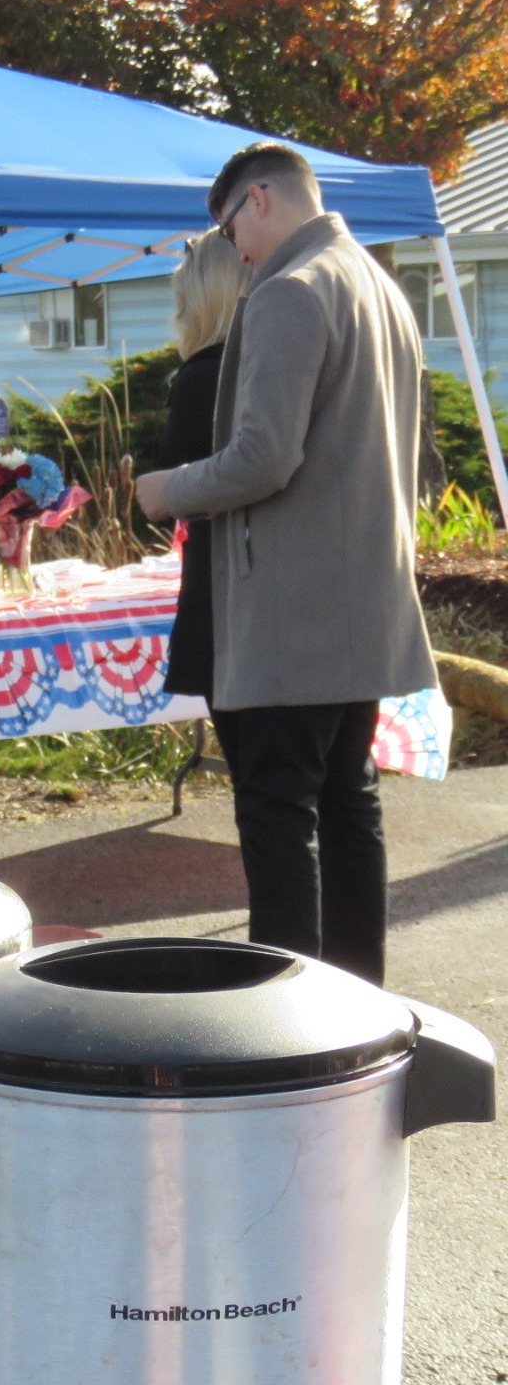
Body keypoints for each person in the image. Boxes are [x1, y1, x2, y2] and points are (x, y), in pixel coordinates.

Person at [135, 142, 436, 986]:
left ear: (258, 200)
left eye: (230, 230)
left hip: (292, 612)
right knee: (349, 807)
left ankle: (287, 1025)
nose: (233, 252)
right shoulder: (378, 286)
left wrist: (170, 490)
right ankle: (357, 1006)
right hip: (364, 604)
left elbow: (266, 458)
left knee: (277, 816)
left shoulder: (290, 292)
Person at [157, 231, 252, 704]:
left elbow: (174, 483)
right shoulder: (269, 361)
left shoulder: (202, 376)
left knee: (259, 766)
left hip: (222, 585)